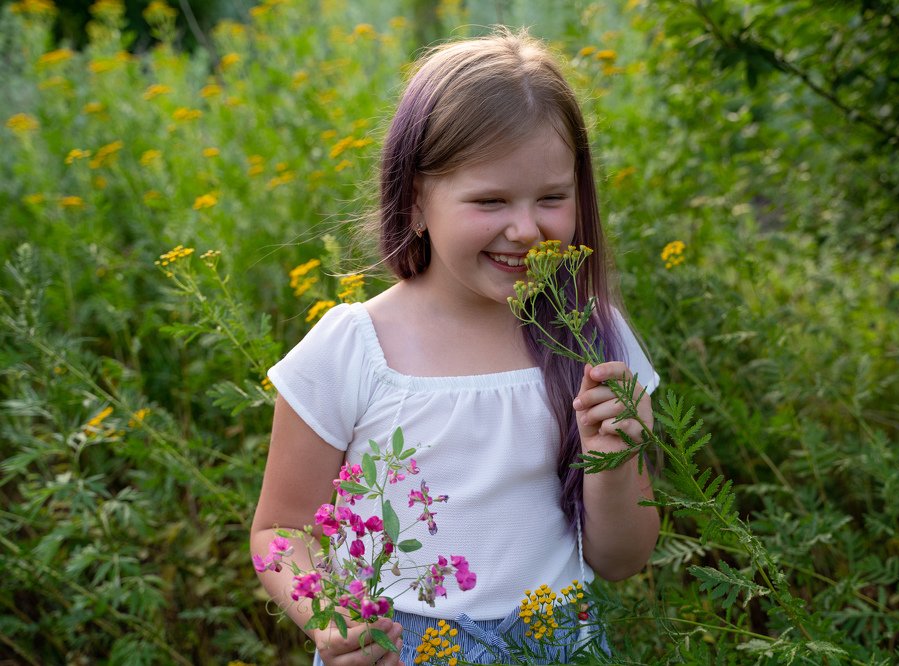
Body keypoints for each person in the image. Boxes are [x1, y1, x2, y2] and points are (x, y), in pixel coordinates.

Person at [250, 27, 660, 666]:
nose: (526, 229)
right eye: (490, 200)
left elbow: (621, 558)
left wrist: (617, 458)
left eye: (552, 197)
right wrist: (332, 615)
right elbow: (279, 530)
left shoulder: (593, 338)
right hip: (395, 647)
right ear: (415, 202)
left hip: (558, 644)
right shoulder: (354, 348)